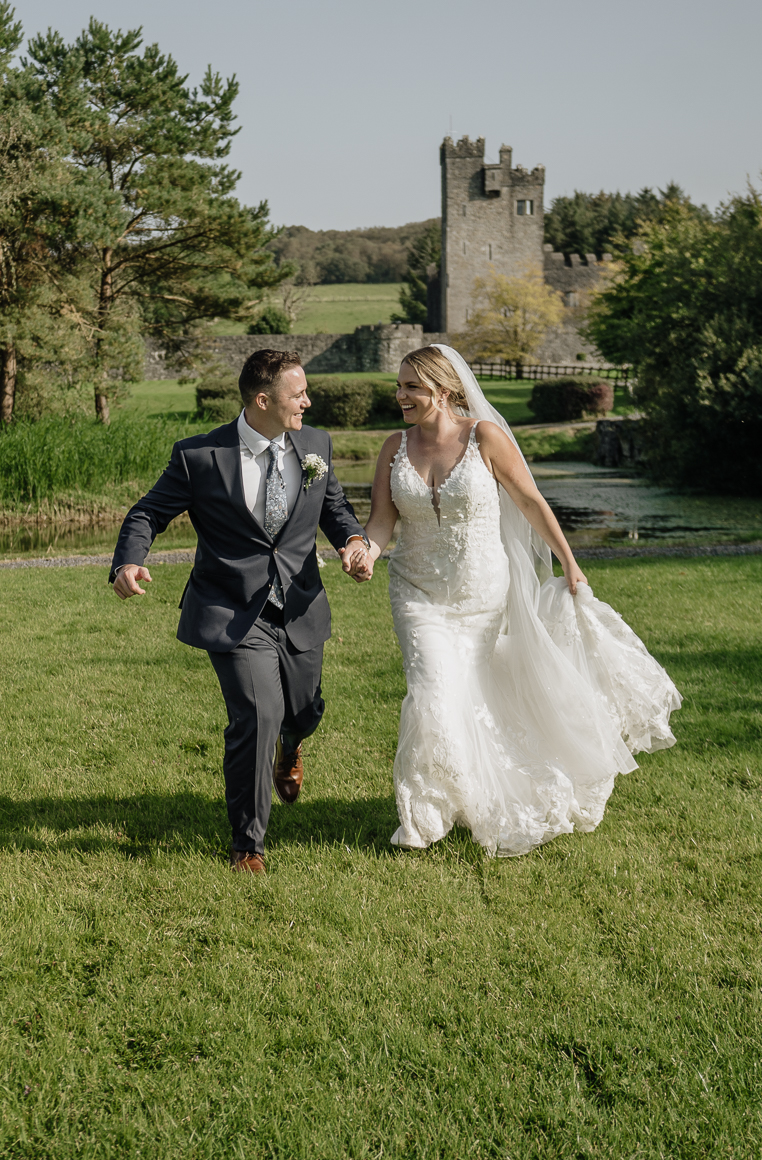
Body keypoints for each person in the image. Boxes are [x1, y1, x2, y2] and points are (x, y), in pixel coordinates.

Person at [352, 345, 680, 856]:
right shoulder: (394, 446)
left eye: (411, 387)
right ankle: (426, 815)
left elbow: (530, 501)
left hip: (480, 591)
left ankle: (485, 791)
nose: (401, 396)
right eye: (399, 386)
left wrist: (569, 562)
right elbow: (381, 521)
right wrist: (366, 552)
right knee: (431, 690)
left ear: (444, 390)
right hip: (416, 591)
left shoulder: (485, 437)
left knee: (473, 691)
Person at [111, 350, 373, 873]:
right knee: (257, 714)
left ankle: (291, 746)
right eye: (298, 394)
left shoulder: (315, 444)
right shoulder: (199, 456)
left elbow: (335, 507)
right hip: (232, 608)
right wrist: (128, 562)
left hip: (299, 605)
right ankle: (247, 843)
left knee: (303, 711)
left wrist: (353, 540)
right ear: (263, 400)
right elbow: (147, 512)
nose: (308, 401)